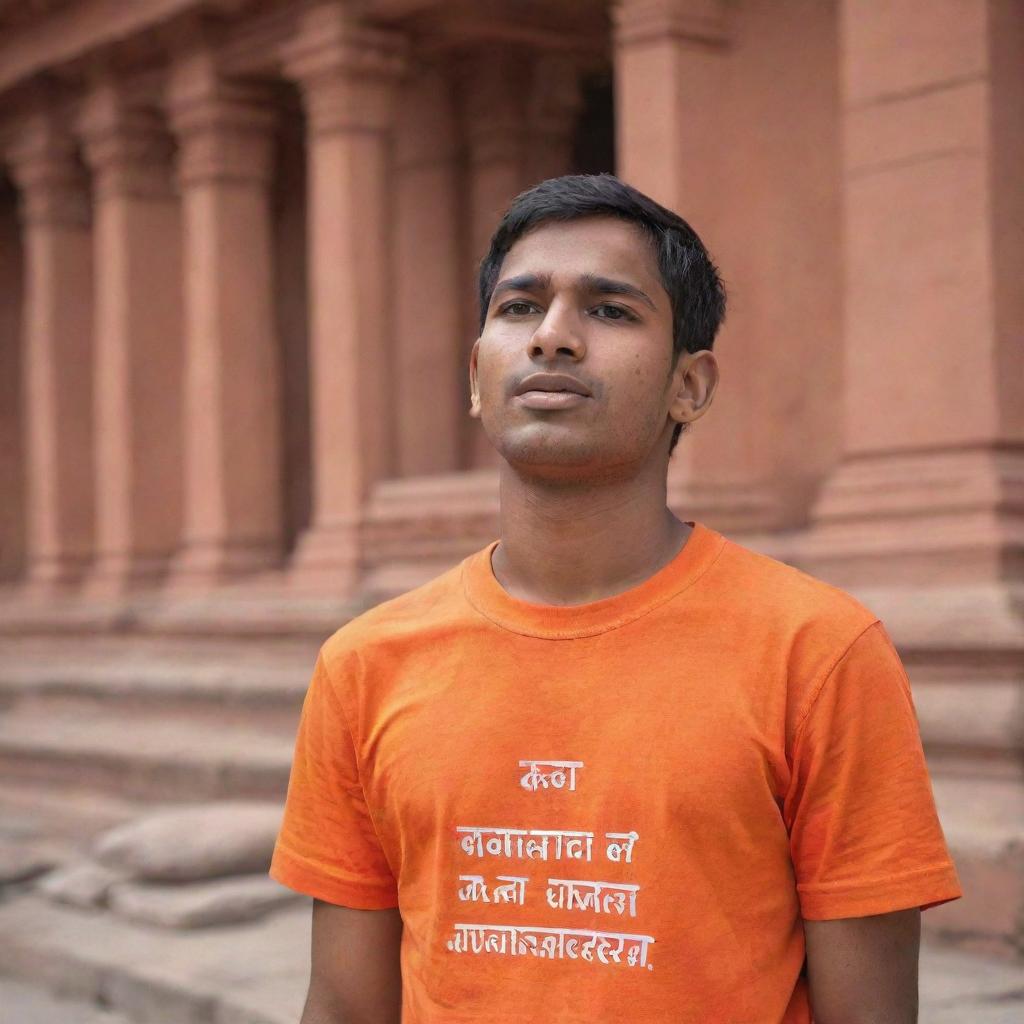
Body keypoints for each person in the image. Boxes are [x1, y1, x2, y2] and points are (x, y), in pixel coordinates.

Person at [270, 174, 962, 1023]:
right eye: (520, 308)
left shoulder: (818, 652)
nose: (554, 338)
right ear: (478, 376)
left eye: (610, 310)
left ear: (691, 387)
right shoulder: (365, 664)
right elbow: (344, 1003)